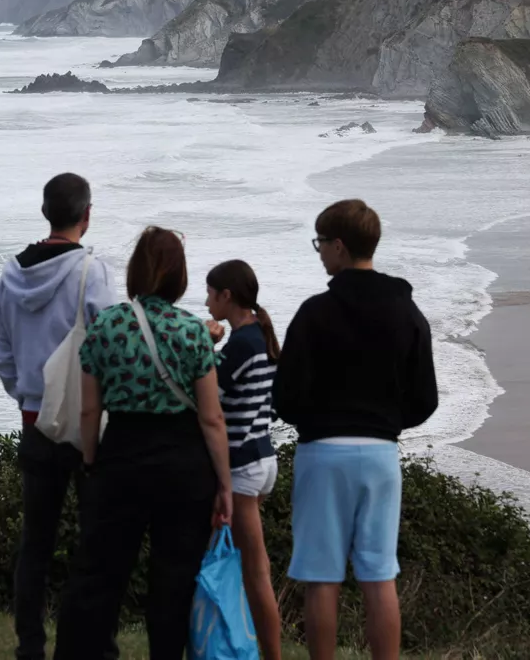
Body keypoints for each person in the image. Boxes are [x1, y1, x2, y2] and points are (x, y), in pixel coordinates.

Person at [54, 226, 233, 660]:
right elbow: (211, 418)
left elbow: (89, 412)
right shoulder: (192, 331)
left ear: (136, 271)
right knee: (173, 583)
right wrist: (225, 485)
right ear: (180, 277)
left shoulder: (107, 327)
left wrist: (93, 463)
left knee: (99, 578)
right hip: (183, 464)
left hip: (122, 456)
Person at [274, 200, 438, 660]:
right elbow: (425, 398)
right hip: (381, 454)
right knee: (379, 574)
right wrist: (384, 422)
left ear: (340, 247)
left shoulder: (315, 312)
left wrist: (317, 418)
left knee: (322, 576)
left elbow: (284, 396)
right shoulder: (408, 313)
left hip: (324, 452)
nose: (320, 252)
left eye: (321, 243)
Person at [0, 172, 117, 660]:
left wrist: (30, 397)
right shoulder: (93, 272)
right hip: (86, 425)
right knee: (94, 544)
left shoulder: (9, 273)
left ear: (46, 212)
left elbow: (2, 356)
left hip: (33, 422)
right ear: (87, 216)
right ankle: (92, 647)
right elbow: (109, 349)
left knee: (35, 545)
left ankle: (30, 648)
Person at [205, 260, 283, 660]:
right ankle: (232, 644)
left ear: (227, 296)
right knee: (234, 564)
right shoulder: (261, 335)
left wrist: (208, 345)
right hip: (262, 457)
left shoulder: (240, 344)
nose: (206, 302)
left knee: (256, 574)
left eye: (210, 294)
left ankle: (269, 655)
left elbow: (206, 397)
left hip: (241, 468)